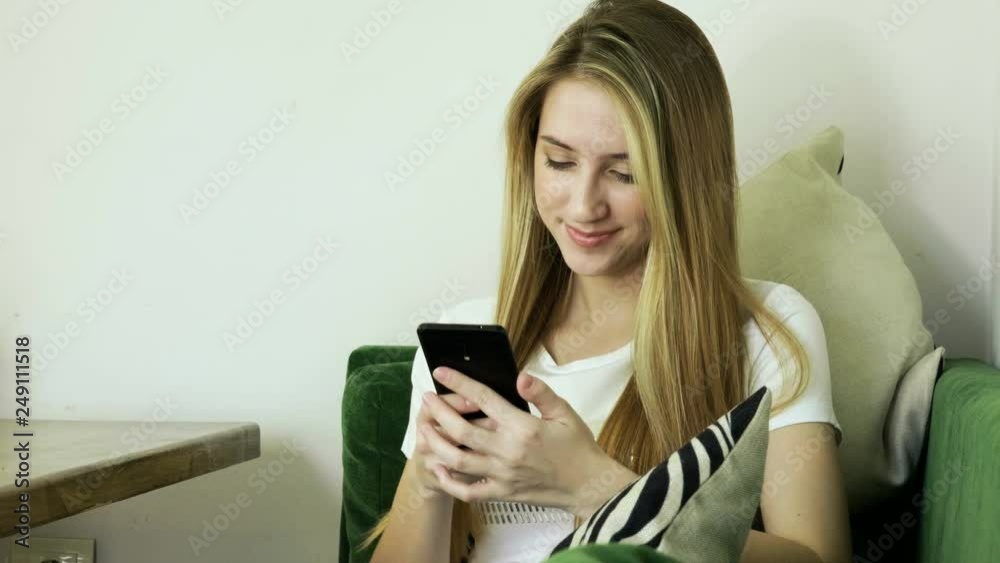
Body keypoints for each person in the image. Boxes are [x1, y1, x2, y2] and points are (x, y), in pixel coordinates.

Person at [365, 1, 852, 561]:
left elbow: (820, 558)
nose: (583, 205)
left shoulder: (770, 330)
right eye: (560, 162)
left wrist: (595, 487)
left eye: (625, 173)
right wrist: (428, 479)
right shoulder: (465, 336)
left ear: (685, 178)